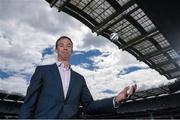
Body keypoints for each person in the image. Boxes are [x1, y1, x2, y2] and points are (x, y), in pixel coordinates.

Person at [19, 36, 137, 119]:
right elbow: (28, 104)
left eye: (68, 45)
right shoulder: (42, 71)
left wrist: (115, 100)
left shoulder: (79, 79)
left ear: (72, 50)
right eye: (61, 45)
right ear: (56, 50)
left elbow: (89, 106)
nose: (65, 48)